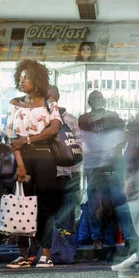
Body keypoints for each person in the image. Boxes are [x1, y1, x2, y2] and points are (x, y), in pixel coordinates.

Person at [4, 58, 62, 269]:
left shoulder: (49, 103)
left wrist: (28, 139)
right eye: (20, 78)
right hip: (23, 158)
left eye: (26, 77)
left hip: (46, 157)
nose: (22, 81)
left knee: (45, 206)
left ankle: (45, 254)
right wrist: (20, 164)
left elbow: (54, 129)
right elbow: (11, 137)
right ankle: (24, 255)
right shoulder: (15, 103)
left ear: (37, 80)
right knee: (22, 204)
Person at [78, 91, 132, 252]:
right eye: (95, 99)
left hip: (107, 162)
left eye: (99, 99)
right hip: (98, 164)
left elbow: (122, 136)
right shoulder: (86, 119)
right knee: (99, 201)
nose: (97, 101)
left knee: (116, 200)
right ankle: (99, 238)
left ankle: (123, 237)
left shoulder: (109, 117)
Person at [48, 86, 82, 233]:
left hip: (66, 174)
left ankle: (63, 244)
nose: (50, 100)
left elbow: (77, 146)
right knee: (49, 211)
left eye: (53, 96)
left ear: (58, 97)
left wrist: (75, 172)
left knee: (67, 211)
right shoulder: (41, 117)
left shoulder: (70, 119)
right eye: (47, 96)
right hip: (47, 173)